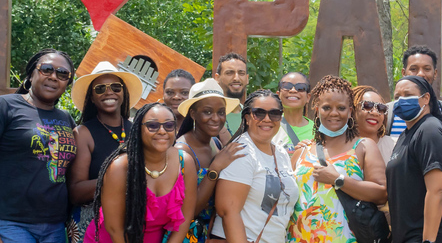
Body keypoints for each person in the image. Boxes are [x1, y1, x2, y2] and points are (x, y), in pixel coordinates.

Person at [287, 75, 387, 243]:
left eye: (341, 108)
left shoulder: (363, 147)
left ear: (350, 112)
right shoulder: (302, 151)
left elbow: (381, 193)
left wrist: (338, 180)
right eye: (327, 107)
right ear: (317, 110)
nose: (334, 113)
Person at [0, 49, 77, 243]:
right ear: (32, 74)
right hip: (11, 223)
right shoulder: (4, 106)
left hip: (55, 226)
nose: (53, 77)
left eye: (62, 73)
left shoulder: (66, 119)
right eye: (46, 69)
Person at [85, 102, 197, 243]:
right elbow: (114, 229)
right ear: (138, 129)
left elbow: (184, 220)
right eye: (153, 125)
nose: (162, 131)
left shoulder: (185, 163)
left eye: (169, 125)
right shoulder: (120, 167)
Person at [68, 61, 144, 243]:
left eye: (116, 87)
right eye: (100, 88)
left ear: (124, 94)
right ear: (92, 98)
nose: (109, 92)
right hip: (91, 223)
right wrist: (118, 178)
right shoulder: (83, 133)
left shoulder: (138, 130)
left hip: (133, 220)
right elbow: (76, 192)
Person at [211, 89, 299, 242]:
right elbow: (228, 211)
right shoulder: (241, 152)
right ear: (247, 118)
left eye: (274, 113)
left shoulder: (281, 153)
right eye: (259, 113)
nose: (267, 119)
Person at [386, 75, 442, 243]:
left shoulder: (429, 130)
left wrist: (428, 240)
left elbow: (437, 190)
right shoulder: (406, 135)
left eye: (407, 95)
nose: (400, 101)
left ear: (426, 98)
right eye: (397, 97)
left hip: (427, 238)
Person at [174, 78, 244, 243]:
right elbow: (190, 211)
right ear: (193, 114)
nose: (216, 118)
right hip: (187, 236)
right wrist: (215, 168)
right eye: (207, 112)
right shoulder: (182, 152)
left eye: (220, 112)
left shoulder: (216, 143)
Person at [386, 45, 442, 137]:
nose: (420, 74)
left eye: (427, 69)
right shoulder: (388, 113)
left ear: (435, 74)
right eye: (413, 69)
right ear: (404, 73)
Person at [352, 85, 395, 166]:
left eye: (381, 108)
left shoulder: (396, 146)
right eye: (367, 105)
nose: (375, 112)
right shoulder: (338, 145)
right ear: (352, 110)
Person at [273, 71, 314, 154]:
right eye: (287, 86)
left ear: (308, 97)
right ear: (278, 95)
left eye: (300, 87)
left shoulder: (317, 131)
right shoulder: (269, 125)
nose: (293, 90)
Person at [212, 53, 249, 135]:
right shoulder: (208, 117)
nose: (236, 78)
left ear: (247, 79)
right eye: (229, 73)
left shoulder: (252, 116)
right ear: (217, 78)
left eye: (241, 73)